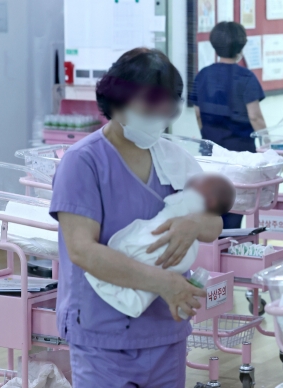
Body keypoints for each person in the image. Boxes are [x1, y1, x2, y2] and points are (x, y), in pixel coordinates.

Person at [50, 48, 223, 387]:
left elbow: (214, 223)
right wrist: (163, 283)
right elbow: (83, 250)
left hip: (165, 329)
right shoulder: (83, 163)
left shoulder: (174, 159)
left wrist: (192, 224)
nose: (156, 118)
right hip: (102, 334)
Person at [85, 173, 235, 318]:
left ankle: (124, 293)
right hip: (101, 315)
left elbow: (214, 223)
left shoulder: (184, 177)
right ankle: (130, 298)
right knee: (151, 257)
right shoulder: (87, 161)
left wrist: (195, 221)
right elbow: (80, 249)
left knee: (146, 250)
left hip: (169, 254)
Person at [190, 21, 266, 228]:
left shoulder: (202, 75)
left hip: (210, 153)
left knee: (211, 206)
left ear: (214, 46)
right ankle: (231, 254)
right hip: (239, 154)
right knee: (236, 207)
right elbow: (255, 117)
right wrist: (269, 145)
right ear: (241, 47)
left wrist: (209, 136)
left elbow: (198, 115)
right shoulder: (246, 77)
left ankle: (212, 254)